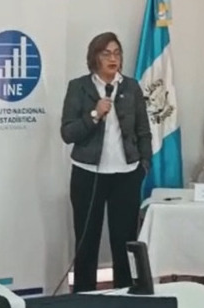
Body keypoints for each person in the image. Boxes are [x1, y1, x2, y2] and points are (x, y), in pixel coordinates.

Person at [61, 32, 152, 292]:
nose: (113, 58)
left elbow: (143, 131)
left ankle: (125, 293)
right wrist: (94, 114)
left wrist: (143, 165)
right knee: (87, 240)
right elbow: (67, 133)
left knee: (124, 240)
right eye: (106, 53)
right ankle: (85, 296)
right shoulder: (79, 87)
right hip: (88, 174)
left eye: (117, 53)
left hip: (126, 174)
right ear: (95, 58)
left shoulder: (131, 87)